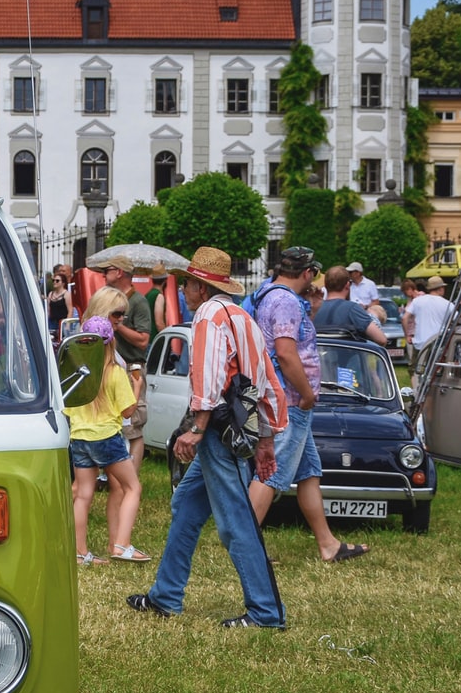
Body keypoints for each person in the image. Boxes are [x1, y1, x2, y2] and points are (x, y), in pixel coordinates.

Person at [128, 247, 289, 628]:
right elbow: (266, 381)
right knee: (186, 504)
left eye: (186, 283)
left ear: (200, 287)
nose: (183, 290)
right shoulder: (242, 317)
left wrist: (197, 429)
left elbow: (210, 376)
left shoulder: (208, 316)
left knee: (236, 521)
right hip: (239, 426)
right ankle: (166, 596)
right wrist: (267, 437)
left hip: (219, 428)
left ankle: (266, 612)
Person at [247, 249, 370, 564]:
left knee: (309, 474)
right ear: (307, 273)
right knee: (270, 474)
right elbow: (287, 354)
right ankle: (246, 548)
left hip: (286, 401)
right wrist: (307, 393)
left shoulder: (270, 294)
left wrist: (313, 308)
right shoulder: (286, 301)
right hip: (291, 402)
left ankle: (328, 544)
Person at [64, 308, 145, 566]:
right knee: (132, 487)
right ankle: (122, 544)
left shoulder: (77, 374)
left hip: (79, 438)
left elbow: (67, 407)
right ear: (111, 343)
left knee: (84, 493)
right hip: (107, 439)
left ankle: (80, 552)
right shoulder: (114, 372)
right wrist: (137, 386)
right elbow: (128, 410)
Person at [96, 259, 152, 469]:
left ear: (119, 272)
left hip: (131, 367)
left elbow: (144, 340)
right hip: (111, 366)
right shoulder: (110, 297)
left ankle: (131, 475)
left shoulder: (138, 302)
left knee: (133, 425)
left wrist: (116, 326)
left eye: (107, 270)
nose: (103, 274)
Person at [314, 265, 388, 344]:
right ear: (347, 285)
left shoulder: (313, 309)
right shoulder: (353, 309)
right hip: (347, 355)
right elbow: (381, 339)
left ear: (326, 285)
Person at [404, 276, 454, 355]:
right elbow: (456, 320)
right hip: (438, 343)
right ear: (440, 289)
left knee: (417, 366)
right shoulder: (448, 304)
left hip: (419, 344)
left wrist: (407, 335)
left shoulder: (417, 301)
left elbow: (404, 318)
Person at [45, 269, 70, 341]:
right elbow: (49, 309)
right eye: (54, 280)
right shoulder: (51, 294)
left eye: (57, 281)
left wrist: (67, 324)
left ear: (63, 283)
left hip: (62, 322)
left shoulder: (67, 294)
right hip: (52, 322)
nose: (54, 282)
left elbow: (70, 310)